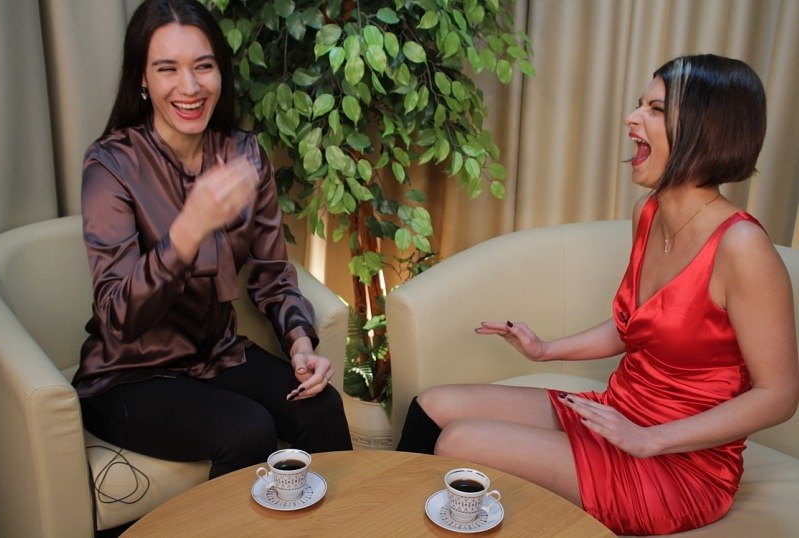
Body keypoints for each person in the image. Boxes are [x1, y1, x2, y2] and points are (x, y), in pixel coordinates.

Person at [397, 54, 798, 535]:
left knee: (460, 441)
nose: (631, 118)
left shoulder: (743, 247)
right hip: (617, 411)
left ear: (704, 129)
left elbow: (779, 395)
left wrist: (650, 439)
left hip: (680, 464)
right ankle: (386, 515)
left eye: (654, 109)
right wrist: (545, 350)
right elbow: (636, 325)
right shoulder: (649, 213)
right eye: (639, 104)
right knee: (432, 404)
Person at [73, 0, 351, 480]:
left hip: (218, 356)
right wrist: (189, 228)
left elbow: (272, 276)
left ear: (220, 72)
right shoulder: (110, 165)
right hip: (128, 374)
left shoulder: (244, 154)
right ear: (142, 79)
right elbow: (118, 318)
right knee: (247, 431)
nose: (190, 87)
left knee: (321, 406)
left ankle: (345, 519)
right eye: (167, 69)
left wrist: (300, 343)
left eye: (203, 66)